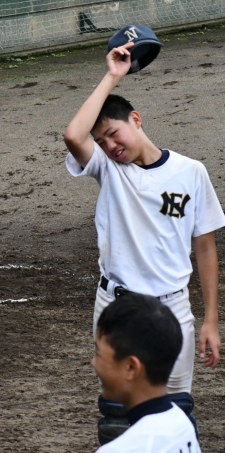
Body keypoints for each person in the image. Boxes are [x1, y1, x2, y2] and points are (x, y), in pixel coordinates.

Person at [63, 41, 225, 443]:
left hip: (172, 307)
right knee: (117, 417)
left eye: (113, 134)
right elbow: (73, 134)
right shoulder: (108, 169)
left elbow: (205, 247)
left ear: (135, 120)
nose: (109, 146)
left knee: (175, 410)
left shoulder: (191, 172)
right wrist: (113, 76)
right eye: (101, 142)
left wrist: (210, 319)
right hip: (116, 304)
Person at [92, 293, 200, 452]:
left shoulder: (122, 449)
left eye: (99, 355)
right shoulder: (184, 426)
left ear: (131, 368)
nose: (93, 363)